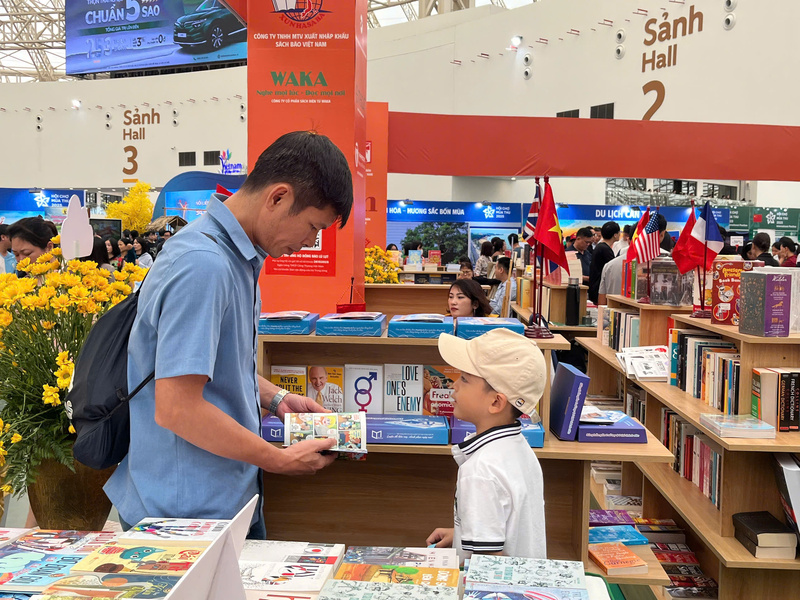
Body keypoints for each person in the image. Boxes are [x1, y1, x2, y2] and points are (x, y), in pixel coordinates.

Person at [104, 131, 353, 538]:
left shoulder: (237, 258)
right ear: (278, 197)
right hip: (185, 518)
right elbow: (177, 407)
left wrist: (277, 398)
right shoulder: (204, 265)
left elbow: (213, 364)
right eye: (312, 227)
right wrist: (278, 459)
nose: (310, 243)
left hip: (222, 499)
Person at [426, 328, 546, 561]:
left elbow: (488, 565)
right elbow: (513, 524)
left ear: (495, 402)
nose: (454, 385)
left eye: (465, 379)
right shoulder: (520, 449)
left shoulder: (480, 472)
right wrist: (463, 535)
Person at [598, 214, 669, 306]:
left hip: (615, 318)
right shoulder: (669, 265)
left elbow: (602, 304)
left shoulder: (610, 265)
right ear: (662, 234)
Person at [588, 222, 620, 305]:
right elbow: (612, 270)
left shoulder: (600, 247)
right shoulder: (605, 249)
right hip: (599, 290)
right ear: (615, 235)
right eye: (619, 232)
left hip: (595, 288)